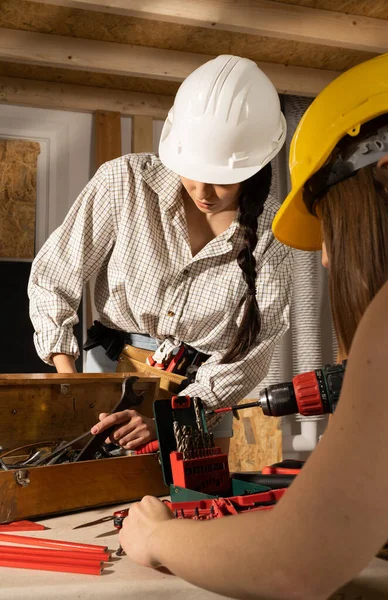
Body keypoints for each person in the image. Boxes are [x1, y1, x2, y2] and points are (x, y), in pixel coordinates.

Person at [118, 51, 388, 600]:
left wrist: (157, 537)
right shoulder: (122, 185)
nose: (324, 258)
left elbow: (295, 561)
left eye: (334, 220)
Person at [28, 55, 293, 451]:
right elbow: (53, 277)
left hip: (206, 393)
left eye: (221, 180)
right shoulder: (125, 182)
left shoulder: (273, 232)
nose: (203, 193)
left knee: (194, 499)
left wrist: (173, 416)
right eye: (193, 171)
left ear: (254, 166)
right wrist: (74, 385)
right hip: (110, 379)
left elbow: (253, 351)